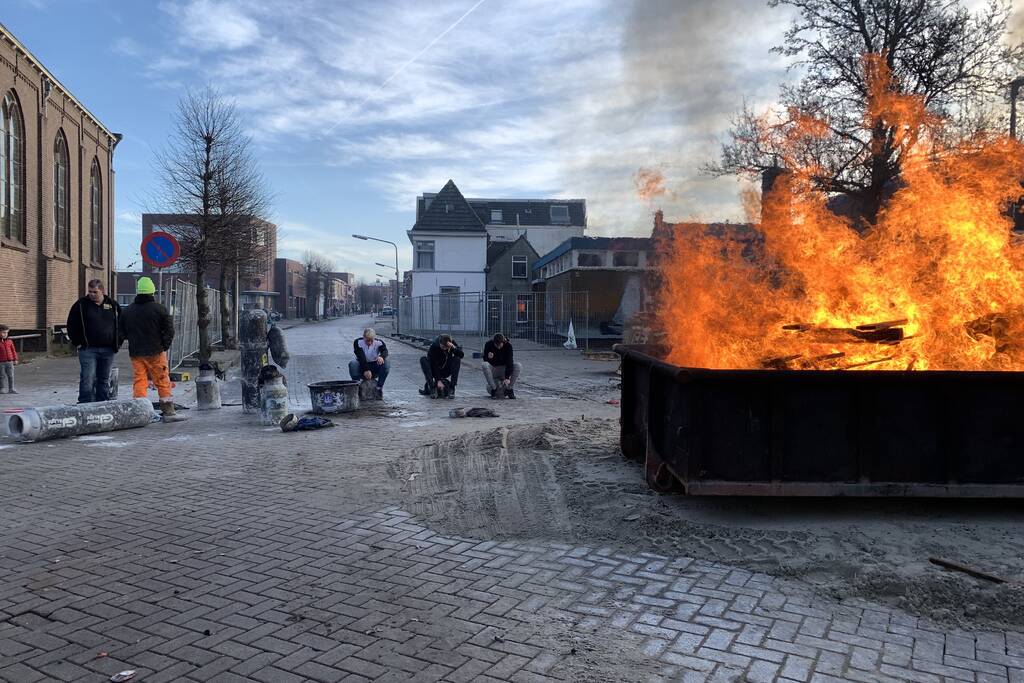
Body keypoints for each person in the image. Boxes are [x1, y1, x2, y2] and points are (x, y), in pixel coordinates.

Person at [120, 276, 183, 422]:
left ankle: (139, 410)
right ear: (152, 291)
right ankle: (168, 411)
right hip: (156, 351)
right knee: (162, 380)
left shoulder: (128, 311)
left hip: (136, 352)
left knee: (140, 380)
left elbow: (121, 331)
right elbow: (169, 330)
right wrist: (164, 345)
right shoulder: (159, 309)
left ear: (138, 291)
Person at [67, 279, 122, 403]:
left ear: (102, 291)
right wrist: (77, 342)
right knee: (88, 378)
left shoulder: (113, 305)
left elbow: (121, 325)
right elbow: (71, 324)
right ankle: (84, 403)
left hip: (108, 349)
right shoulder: (81, 305)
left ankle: (102, 403)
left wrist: (118, 342)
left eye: (95, 292)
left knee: (104, 378)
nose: (91, 294)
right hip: (88, 349)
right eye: (90, 292)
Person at [419, 333, 463, 398]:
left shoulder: (451, 343)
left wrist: (454, 347)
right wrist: (438, 380)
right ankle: (432, 388)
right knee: (423, 359)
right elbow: (434, 364)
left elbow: (461, 355)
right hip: (434, 370)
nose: (444, 349)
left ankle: (452, 388)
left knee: (457, 359)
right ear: (439, 343)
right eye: (442, 347)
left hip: (446, 369)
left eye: (446, 347)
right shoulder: (434, 346)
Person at [482, 333, 522, 399]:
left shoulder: (508, 346)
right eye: (496, 345)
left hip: (504, 369)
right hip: (494, 369)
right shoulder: (489, 344)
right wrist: (488, 357)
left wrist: (507, 377)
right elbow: (485, 359)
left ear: (503, 342)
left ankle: (509, 389)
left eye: (500, 345)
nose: (498, 347)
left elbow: (510, 361)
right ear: (493, 342)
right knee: (484, 365)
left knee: (518, 365)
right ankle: (493, 389)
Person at [0, 324, 17, 394]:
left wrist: (15, 359)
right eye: (3, 332)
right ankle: (2, 388)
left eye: (7, 332)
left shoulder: (9, 341)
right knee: (1, 376)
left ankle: (11, 388)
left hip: (9, 362)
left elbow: (13, 350)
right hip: (1, 362)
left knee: (11, 375)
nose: (5, 334)